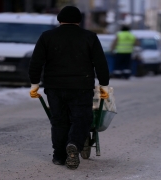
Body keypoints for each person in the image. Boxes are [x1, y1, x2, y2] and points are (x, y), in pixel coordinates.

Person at [28, 6, 110, 170]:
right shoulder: (89, 37)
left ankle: (59, 156)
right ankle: (73, 144)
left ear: (59, 19)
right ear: (79, 21)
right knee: (81, 119)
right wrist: (104, 84)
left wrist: (34, 83)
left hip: (54, 86)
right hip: (81, 86)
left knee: (59, 121)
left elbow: (36, 62)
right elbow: (100, 62)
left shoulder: (47, 36)